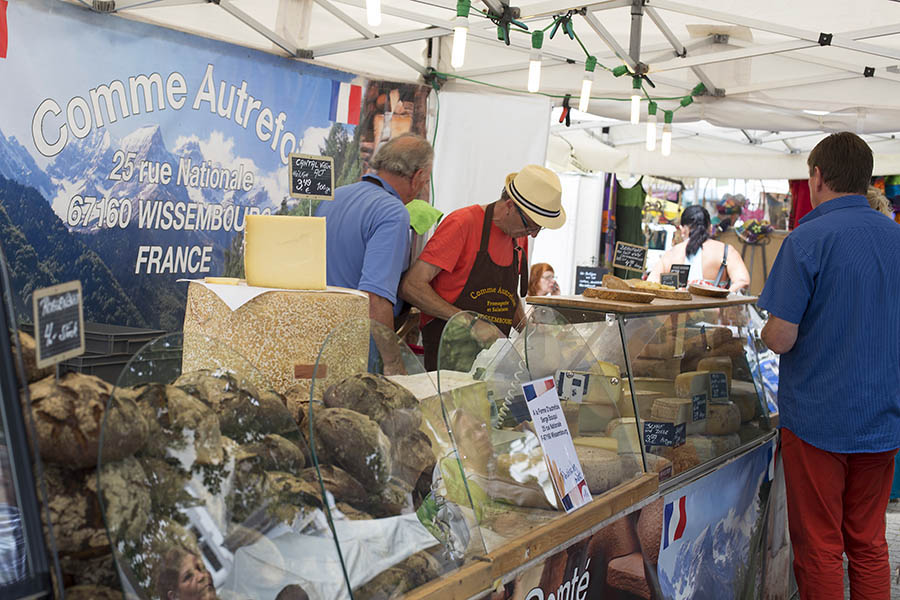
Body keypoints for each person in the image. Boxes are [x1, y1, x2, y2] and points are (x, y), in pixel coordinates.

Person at [759, 132, 900, 600]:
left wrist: (764, 331)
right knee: (868, 540)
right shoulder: (895, 239)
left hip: (819, 419)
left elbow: (781, 336)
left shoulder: (807, 239)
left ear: (817, 177)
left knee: (819, 545)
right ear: (867, 180)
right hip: (882, 418)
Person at [400, 165, 565, 370]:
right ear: (510, 206)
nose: (533, 235)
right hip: (451, 354)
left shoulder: (518, 236)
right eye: (530, 225)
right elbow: (411, 286)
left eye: (539, 228)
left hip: (492, 359)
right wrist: (471, 323)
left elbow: (506, 294)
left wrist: (526, 328)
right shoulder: (463, 224)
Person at [316, 133, 433, 332]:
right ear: (417, 177)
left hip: (318, 326)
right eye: (426, 181)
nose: (424, 187)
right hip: (353, 337)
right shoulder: (393, 211)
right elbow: (375, 298)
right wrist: (391, 359)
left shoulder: (336, 196)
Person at [647, 205, 750, 293]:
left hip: (675, 315)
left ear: (683, 229)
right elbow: (743, 281)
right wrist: (722, 302)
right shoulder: (726, 251)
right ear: (710, 228)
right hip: (715, 314)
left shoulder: (670, 255)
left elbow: (650, 283)